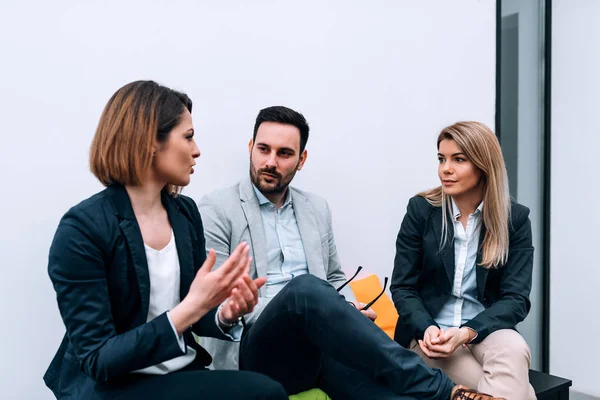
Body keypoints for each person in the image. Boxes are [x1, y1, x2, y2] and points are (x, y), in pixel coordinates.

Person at [199, 106, 504, 400]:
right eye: (263, 149)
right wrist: (320, 309)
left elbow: (333, 279)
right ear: (251, 147)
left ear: (301, 159)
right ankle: (444, 389)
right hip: (257, 351)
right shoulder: (217, 209)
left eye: (284, 153)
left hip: (319, 349)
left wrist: (345, 311)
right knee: (304, 289)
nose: (270, 161)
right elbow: (222, 298)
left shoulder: (315, 209)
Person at [43, 81, 288, 400]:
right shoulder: (82, 229)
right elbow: (98, 360)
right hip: (115, 386)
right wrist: (194, 304)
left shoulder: (184, 213)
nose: (197, 149)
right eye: (188, 136)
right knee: (265, 394)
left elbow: (195, 315)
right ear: (149, 142)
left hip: (180, 373)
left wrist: (225, 313)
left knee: (267, 390)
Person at [391, 121, 536, 399]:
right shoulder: (421, 211)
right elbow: (403, 288)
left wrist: (468, 332)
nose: (445, 168)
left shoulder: (514, 219)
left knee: (515, 349)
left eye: (459, 159)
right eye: (441, 159)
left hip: (486, 328)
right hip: (433, 334)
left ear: (484, 166)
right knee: (519, 391)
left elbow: (516, 299)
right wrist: (428, 328)